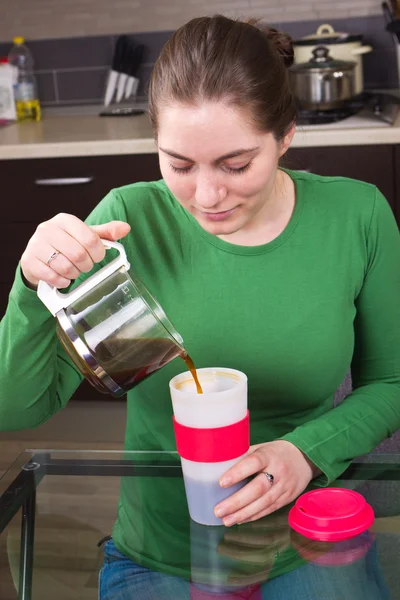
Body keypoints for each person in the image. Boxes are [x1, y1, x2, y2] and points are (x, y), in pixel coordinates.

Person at [0, 14, 399, 599]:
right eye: (179, 165)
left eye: (236, 165)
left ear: (286, 135)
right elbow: (17, 408)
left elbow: (391, 380)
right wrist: (34, 286)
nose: (208, 196)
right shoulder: (128, 222)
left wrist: (305, 454)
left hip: (305, 535)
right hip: (161, 548)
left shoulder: (357, 217)